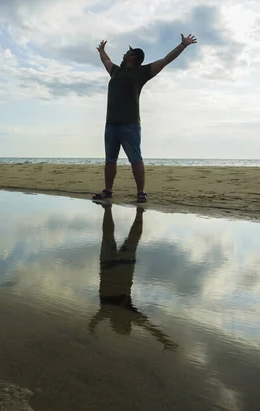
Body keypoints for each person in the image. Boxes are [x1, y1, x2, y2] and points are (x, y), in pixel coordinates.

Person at [92, 34, 198, 204]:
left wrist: (183, 45)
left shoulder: (142, 72)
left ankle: (141, 192)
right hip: (111, 124)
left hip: (130, 124)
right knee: (110, 159)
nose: (124, 55)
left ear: (133, 57)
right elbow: (106, 61)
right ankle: (108, 191)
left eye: (127, 53)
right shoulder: (116, 71)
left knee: (135, 158)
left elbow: (165, 60)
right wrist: (102, 51)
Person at [88, 204, 178, 351]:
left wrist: (163, 339)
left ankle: (138, 213)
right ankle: (112, 209)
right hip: (110, 265)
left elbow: (149, 327)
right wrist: (163, 339)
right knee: (110, 236)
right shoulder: (108, 311)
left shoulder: (114, 312)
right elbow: (149, 327)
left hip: (121, 266)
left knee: (129, 239)